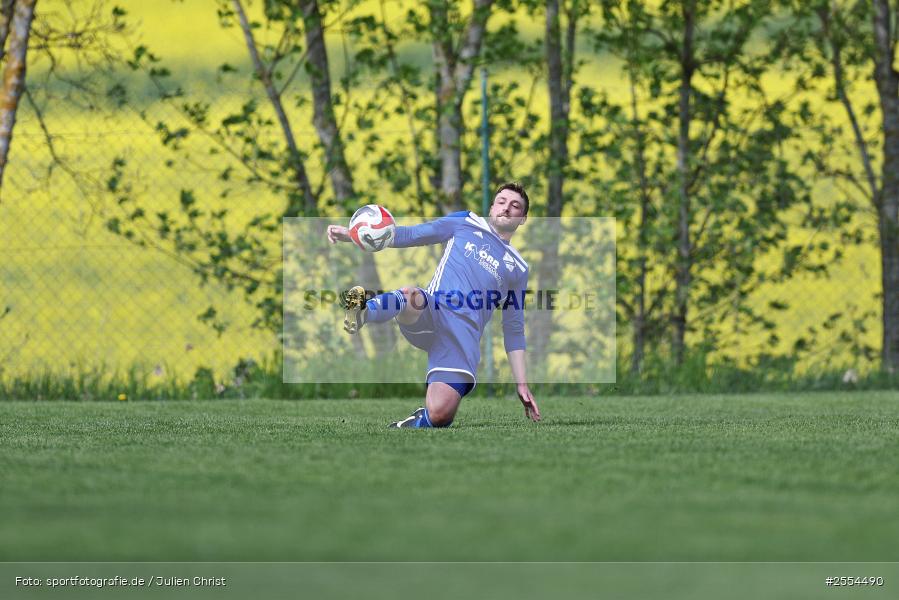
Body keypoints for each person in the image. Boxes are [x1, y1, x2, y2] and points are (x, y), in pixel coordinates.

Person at [326, 182, 540, 428]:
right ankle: (364, 312)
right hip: (432, 310)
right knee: (410, 295)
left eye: (515, 206)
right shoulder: (465, 222)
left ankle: (413, 423)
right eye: (501, 201)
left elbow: (513, 328)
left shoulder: (518, 268)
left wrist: (521, 384)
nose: (506, 208)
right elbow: (413, 234)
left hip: (461, 337)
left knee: (440, 415)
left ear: (522, 219)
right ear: (492, 207)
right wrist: (353, 234)